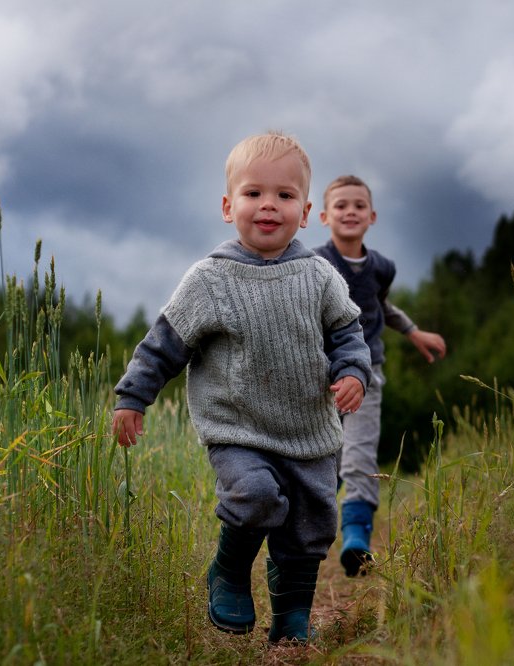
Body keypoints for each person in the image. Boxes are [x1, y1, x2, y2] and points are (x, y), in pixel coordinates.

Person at [111, 131, 371, 643]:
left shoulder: (320, 276)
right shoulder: (209, 279)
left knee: (311, 526)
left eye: (284, 195)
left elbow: (347, 333)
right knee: (254, 494)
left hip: (310, 431)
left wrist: (353, 373)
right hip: (238, 429)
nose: (268, 205)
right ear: (229, 206)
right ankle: (228, 572)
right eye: (254, 193)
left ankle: (292, 619)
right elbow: (163, 344)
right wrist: (133, 396)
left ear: (305, 211)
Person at [315, 174, 447, 577]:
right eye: (341, 205)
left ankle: (356, 537)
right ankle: (309, 533)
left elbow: (381, 307)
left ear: (372, 216)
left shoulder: (381, 268)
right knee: (324, 459)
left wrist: (413, 331)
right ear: (324, 216)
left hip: (367, 377)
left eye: (359, 205)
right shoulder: (313, 264)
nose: (350, 212)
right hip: (320, 379)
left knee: (359, 456)